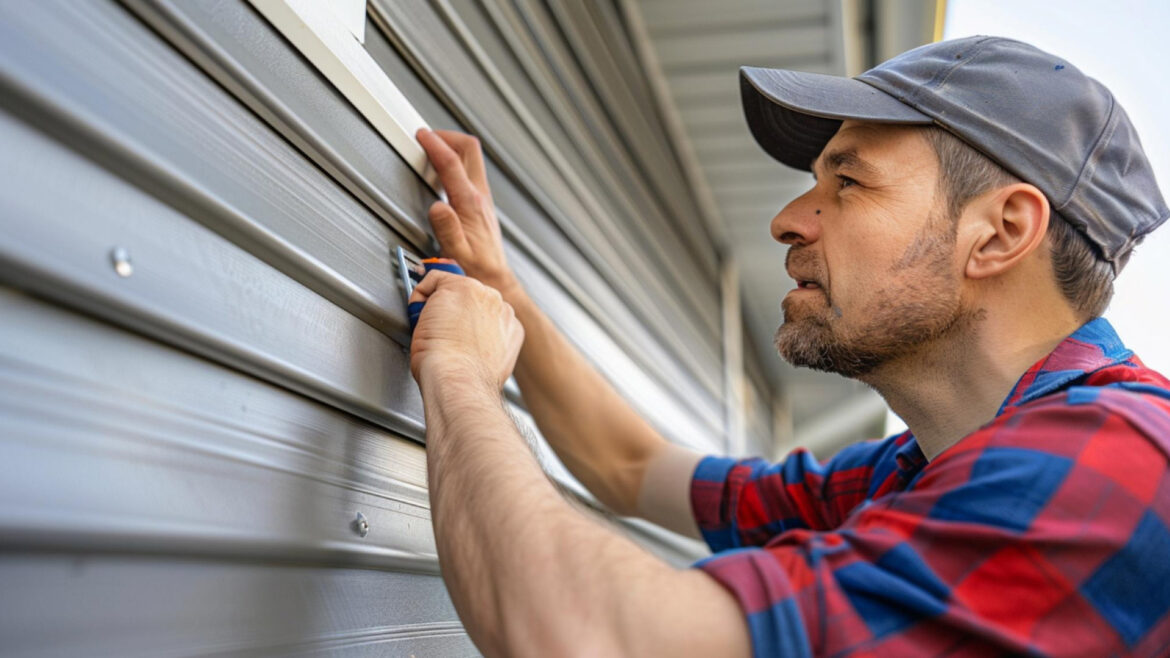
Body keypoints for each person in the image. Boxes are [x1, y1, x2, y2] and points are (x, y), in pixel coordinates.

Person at [407, 36, 1170, 657]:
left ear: (1000, 233)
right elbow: (630, 466)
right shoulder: (913, 473)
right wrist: (501, 293)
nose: (789, 219)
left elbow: (588, 637)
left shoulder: (1116, 463)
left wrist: (459, 377)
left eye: (848, 182)